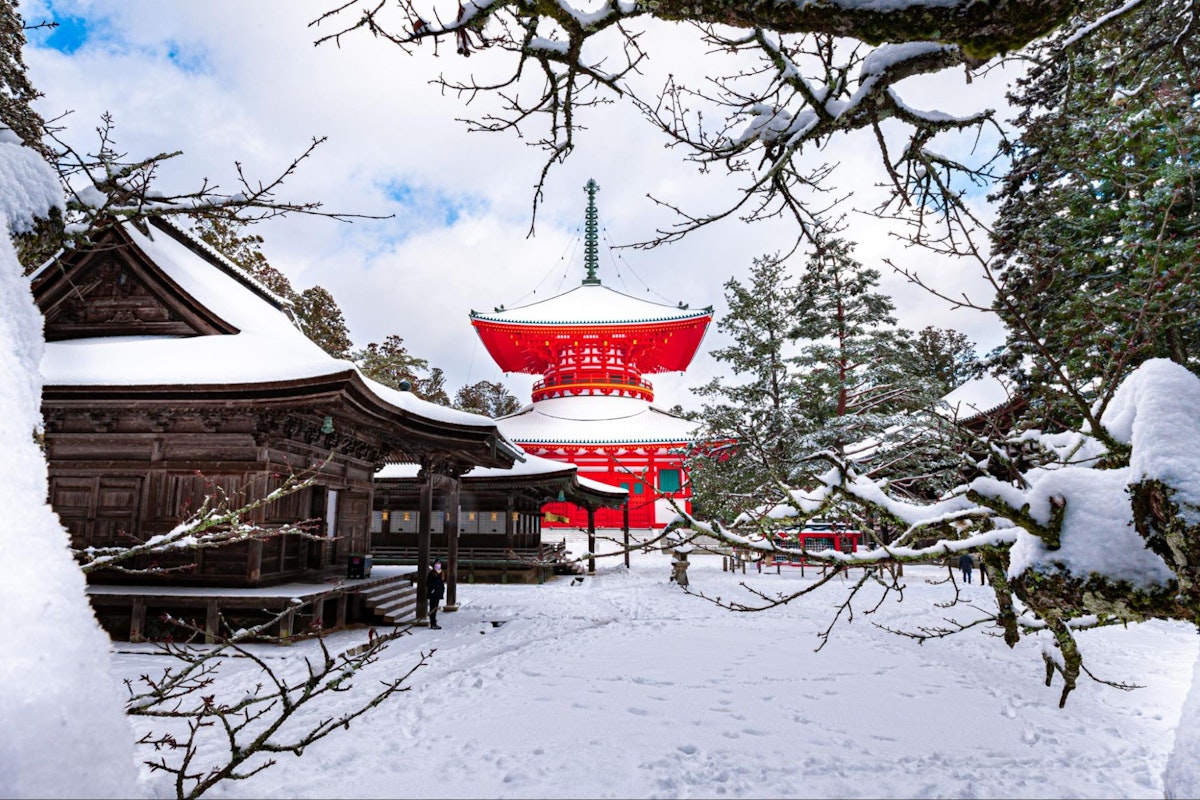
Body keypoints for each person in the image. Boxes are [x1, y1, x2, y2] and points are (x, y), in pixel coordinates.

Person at [426, 560, 445, 629]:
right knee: (432, 607)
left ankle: (434, 622)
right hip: (433, 593)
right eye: (437, 564)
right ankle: (432, 623)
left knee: (435, 608)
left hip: (438, 593)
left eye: (439, 564)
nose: (438, 565)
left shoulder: (441, 573)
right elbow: (428, 583)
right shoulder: (432, 573)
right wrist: (432, 590)